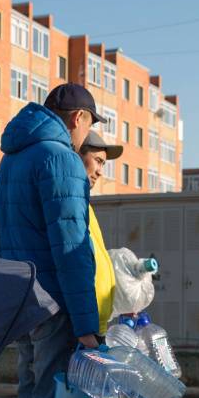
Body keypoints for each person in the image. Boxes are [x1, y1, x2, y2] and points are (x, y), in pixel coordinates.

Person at [0, 83, 105, 398]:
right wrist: (87, 327)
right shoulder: (61, 159)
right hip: (53, 301)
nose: (87, 135)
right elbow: (72, 249)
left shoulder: (13, 157)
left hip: (21, 298)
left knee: (28, 389)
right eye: (89, 125)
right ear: (78, 117)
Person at [79, 130, 120, 330]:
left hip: (94, 320)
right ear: (77, 154)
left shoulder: (85, 204)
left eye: (103, 164)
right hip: (81, 322)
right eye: (97, 160)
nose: (100, 171)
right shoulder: (72, 202)